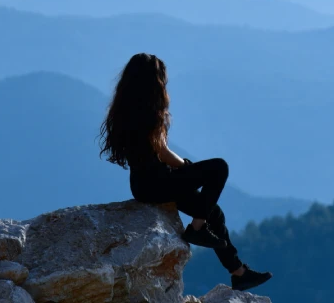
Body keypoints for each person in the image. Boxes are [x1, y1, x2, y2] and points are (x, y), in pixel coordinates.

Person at [98, 53, 272, 292]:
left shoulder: (125, 110)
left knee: (214, 212)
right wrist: (187, 167)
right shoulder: (150, 111)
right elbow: (163, 152)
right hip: (159, 181)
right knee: (219, 167)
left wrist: (186, 170)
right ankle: (197, 228)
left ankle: (238, 272)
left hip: (142, 184)